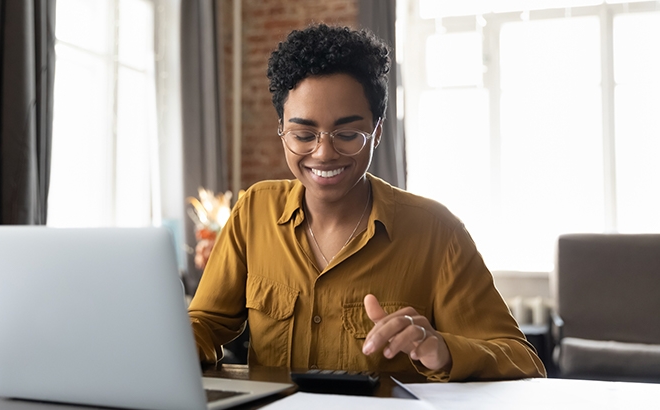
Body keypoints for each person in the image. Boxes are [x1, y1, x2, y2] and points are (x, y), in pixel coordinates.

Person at [188, 24, 546, 381]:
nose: (324, 153)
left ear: (376, 132)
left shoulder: (437, 232)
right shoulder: (254, 211)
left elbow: (522, 360)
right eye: (303, 135)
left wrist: (443, 349)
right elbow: (205, 323)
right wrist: (175, 340)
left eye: (347, 134)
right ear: (281, 130)